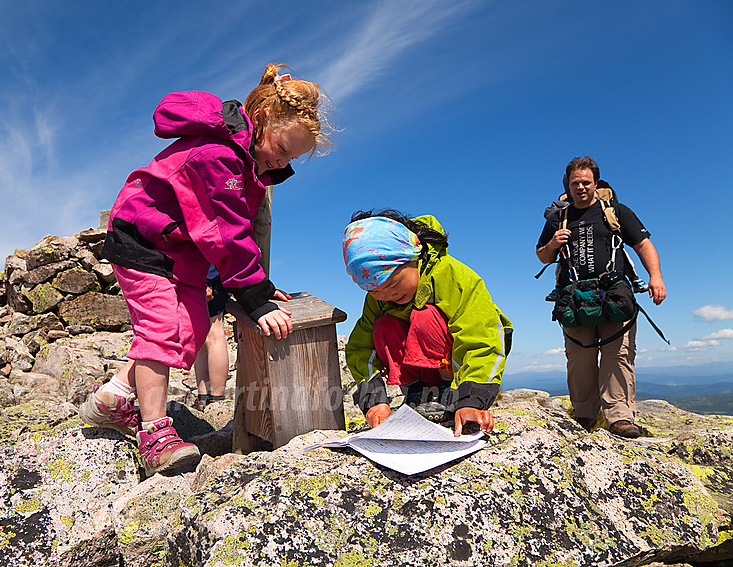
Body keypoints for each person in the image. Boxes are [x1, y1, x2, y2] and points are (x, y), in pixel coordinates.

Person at [79, 63, 330, 476]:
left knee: (194, 327)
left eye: (292, 158)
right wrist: (254, 296)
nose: (281, 164)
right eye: (282, 151)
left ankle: (114, 396)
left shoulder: (248, 167)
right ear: (263, 120)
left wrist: (260, 288)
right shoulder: (219, 157)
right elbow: (227, 234)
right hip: (145, 239)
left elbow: (238, 233)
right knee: (159, 329)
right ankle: (155, 435)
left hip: (181, 252)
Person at [343, 210, 512, 436]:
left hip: (453, 370)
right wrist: (374, 401)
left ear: (413, 256)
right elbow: (360, 349)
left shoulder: (451, 276)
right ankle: (416, 393)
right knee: (384, 325)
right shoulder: (380, 300)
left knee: (425, 317)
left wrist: (471, 400)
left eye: (393, 284)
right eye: (374, 291)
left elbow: (482, 338)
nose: (387, 296)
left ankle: (446, 393)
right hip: (420, 374)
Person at [536, 156, 666, 438]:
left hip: (614, 294)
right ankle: (583, 414)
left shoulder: (616, 211)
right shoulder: (558, 218)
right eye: (575, 183)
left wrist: (656, 277)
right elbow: (542, 255)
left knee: (617, 354)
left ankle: (619, 417)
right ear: (567, 186)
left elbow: (642, 244)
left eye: (586, 182)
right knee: (580, 358)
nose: (581, 187)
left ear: (596, 183)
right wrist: (553, 243)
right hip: (575, 297)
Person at [193, 266, 229, 411]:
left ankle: (215, 398)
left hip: (207, 275)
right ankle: (205, 397)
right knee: (202, 336)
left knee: (212, 334)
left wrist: (207, 280)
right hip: (201, 275)